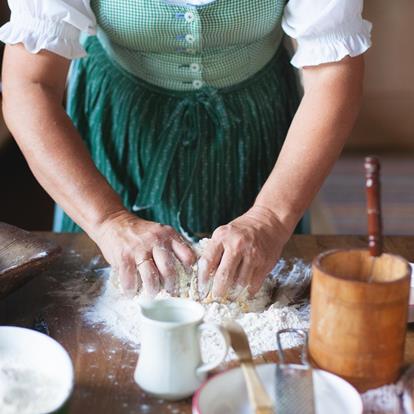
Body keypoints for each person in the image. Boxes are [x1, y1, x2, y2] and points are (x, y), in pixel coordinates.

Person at [0, 0, 371, 299]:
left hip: (253, 125)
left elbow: (332, 76)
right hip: (119, 124)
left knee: (252, 287)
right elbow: (29, 84)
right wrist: (109, 221)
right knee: (101, 292)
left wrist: (270, 218)